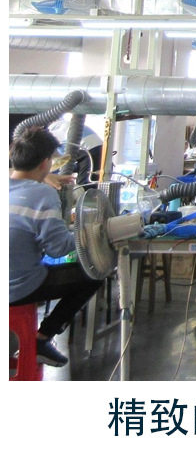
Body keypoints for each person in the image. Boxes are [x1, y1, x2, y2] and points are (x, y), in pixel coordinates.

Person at [9, 126, 103, 367]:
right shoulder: (42, 195)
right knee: (93, 275)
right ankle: (42, 338)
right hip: (17, 288)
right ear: (45, 163)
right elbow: (58, 249)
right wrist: (88, 232)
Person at [47, 115, 103, 185]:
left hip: (87, 151)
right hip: (100, 149)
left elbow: (60, 160)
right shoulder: (64, 124)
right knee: (94, 183)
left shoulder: (52, 129)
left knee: (84, 185)